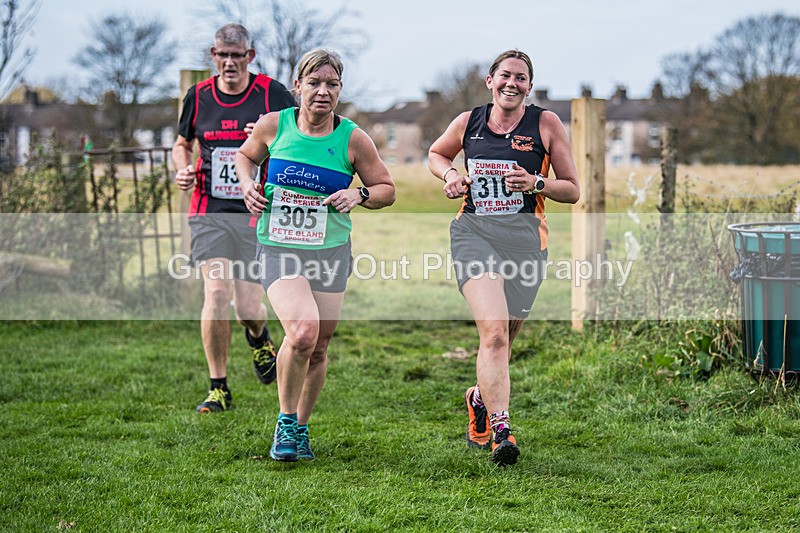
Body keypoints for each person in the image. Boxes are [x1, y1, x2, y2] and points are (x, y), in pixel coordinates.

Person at [236, 48, 395, 461]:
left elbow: (386, 190)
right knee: (302, 332)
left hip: (330, 250)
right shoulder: (275, 126)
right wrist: (246, 185)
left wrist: (358, 193)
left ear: (340, 90)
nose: (322, 92)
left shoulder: (353, 138)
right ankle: (285, 422)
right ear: (298, 86)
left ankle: (301, 429)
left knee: (320, 346)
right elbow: (245, 156)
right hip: (279, 244)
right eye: (314, 83)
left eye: (331, 84)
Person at [428, 50, 580, 465]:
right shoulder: (469, 122)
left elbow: (572, 189)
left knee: (505, 339)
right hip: (474, 234)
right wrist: (452, 175)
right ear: (490, 80)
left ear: (529, 86)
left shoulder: (546, 124)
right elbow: (436, 154)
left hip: (526, 244)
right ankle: (501, 430)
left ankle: (479, 397)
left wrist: (537, 182)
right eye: (505, 76)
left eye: (521, 78)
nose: (512, 83)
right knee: (493, 333)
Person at [172, 23, 296, 413]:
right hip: (209, 211)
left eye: (236, 55)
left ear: (249, 56)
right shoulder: (197, 97)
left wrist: (263, 137)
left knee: (248, 309)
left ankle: (259, 338)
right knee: (216, 293)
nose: (228, 63)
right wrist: (181, 168)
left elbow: (299, 133)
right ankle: (218, 386)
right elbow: (182, 143)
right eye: (222, 55)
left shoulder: (270, 93)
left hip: (254, 211)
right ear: (213, 56)